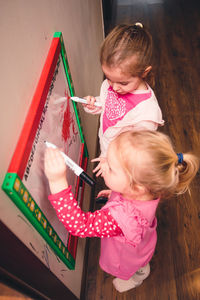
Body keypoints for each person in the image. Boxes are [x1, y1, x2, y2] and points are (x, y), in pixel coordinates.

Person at [44, 130, 199, 293]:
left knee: (138, 267)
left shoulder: (119, 218)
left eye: (110, 167)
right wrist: (116, 195)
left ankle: (138, 276)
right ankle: (141, 268)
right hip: (143, 242)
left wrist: (57, 181)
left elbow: (80, 226)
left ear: (136, 188)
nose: (103, 164)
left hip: (127, 256)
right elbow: (132, 200)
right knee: (142, 259)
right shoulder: (151, 188)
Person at [83, 23, 164, 164]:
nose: (114, 88)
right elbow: (108, 106)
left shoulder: (147, 112)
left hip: (122, 163)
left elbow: (138, 151)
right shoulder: (115, 83)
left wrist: (112, 163)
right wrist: (94, 104)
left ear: (144, 72)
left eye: (123, 83)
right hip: (107, 150)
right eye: (108, 78)